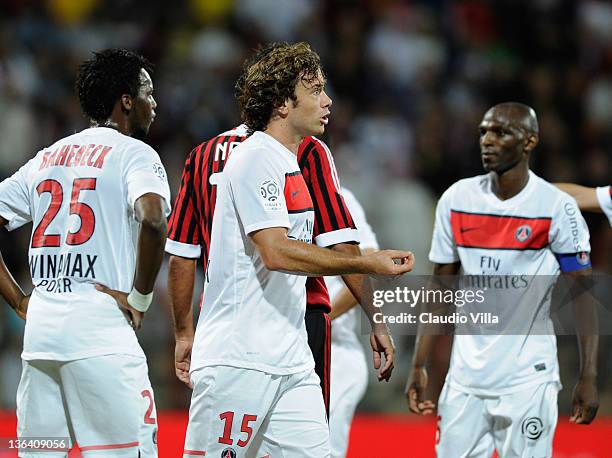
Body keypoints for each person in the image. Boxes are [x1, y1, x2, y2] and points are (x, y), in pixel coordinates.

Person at [179, 42, 413, 458]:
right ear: (283, 103)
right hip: (238, 358)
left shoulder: (302, 158)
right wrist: (364, 261)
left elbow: (337, 238)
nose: (328, 101)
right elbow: (276, 251)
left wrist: (375, 319)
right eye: (316, 91)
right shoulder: (252, 159)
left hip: (292, 358)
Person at [0, 48, 170, 457]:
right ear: (126, 100)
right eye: (147, 91)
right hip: (101, 337)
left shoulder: (46, 158)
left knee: (41, 451)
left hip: (40, 339)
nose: (154, 102)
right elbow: (152, 219)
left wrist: (19, 300)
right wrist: (141, 298)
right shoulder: (135, 154)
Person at [406, 103, 599, 458]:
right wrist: (419, 364)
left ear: (529, 141)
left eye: (500, 132)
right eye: (483, 132)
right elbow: (440, 291)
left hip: (528, 378)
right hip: (466, 379)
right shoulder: (456, 199)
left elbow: (583, 296)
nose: (488, 141)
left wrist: (588, 374)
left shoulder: (556, 207)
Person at [324, 187, 378, 458]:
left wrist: (321, 318)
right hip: (277, 346)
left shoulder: (338, 196)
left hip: (335, 352)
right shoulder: (266, 192)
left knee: (324, 451)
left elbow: (366, 267)